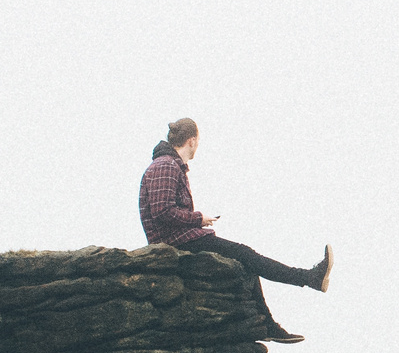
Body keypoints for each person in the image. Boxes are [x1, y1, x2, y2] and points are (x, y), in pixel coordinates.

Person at [139, 119, 330, 338]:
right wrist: (199, 218)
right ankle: (308, 279)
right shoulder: (166, 165)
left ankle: (268, 324)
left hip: (180, 239)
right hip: (176, 243)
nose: (198, 145)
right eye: (198, 141)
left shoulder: (170, 166)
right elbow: (162, 212)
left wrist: (198, 221)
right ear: (191, 141)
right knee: (245, 254)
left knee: (245, 261)